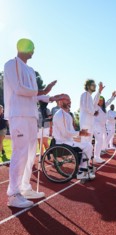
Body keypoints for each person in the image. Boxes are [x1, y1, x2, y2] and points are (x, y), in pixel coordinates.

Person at [4, 38, 65, 208]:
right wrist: (44, 90)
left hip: (32, 116)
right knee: (20, 152)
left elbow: (32, 94)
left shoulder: (30, 70)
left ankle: (24, 187)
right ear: (24, 48)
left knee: (31, 154)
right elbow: (18, 88)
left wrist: (50, 97)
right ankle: (13, 194)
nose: (34, 51)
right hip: (19, 115)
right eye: (32, 48)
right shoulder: (11, 64)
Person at [52, 95, 95, 180]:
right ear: (60, 102)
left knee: (87, 142)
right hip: (62, 141)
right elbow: (65, 134)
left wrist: (81, 135)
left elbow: (70, 132)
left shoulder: (67, 115)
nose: (70, 102)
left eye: (70, 100)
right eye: (67, 100)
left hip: (68, 139)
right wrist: (80, 133)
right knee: (87, 146)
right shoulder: (59, 115)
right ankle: (82, 171)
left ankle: (85, 165)